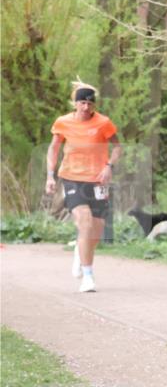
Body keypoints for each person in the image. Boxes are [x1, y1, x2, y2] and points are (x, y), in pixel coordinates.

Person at [45, 80, 122, 293]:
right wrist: (50, 176)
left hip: (98, 180)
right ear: (75, 103)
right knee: (85, 222)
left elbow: (117, 148)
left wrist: (109, 166)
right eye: (82, 103)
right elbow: (53, 149)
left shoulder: (103, 123)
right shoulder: (63, 122)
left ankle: (81, 251)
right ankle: (88, 276)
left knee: (96, 230)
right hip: (72, 178)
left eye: (90, 104)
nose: (86, 107)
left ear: (94, 104)